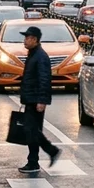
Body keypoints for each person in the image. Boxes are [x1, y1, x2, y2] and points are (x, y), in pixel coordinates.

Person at [16, 26, 59, 174]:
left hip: (36, 100)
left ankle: (38, 158)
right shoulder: (33, 54)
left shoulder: (40, 56)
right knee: (32, 131)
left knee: (31, 130)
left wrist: (42, 100)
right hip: (30, 99)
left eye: (27, 38)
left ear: (34, 39)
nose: (24, 41)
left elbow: (44, 79)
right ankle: (41, 156)